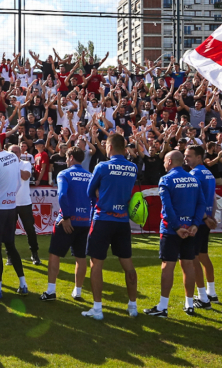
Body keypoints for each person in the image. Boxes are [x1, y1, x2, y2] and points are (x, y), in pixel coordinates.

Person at [82, 133, 139, 321]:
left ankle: (97, 309)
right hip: (122, 221)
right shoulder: (133, 167)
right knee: (127, 263)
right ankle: (133, 306)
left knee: (96, 263)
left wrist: (101, 193)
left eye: (106, 145)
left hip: (103, 219)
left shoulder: (102, 166)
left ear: (110, 147)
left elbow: (90, 190)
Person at [144, 150, 204, 318]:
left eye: (164, 160)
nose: (163, 164)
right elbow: (201, 204)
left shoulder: (166, 179)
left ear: (169, 161)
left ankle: (163, 307)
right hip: (190, 229)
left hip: (172, 230)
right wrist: (194, 225)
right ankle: (189, 304)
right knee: (188, 265)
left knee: (167, 266)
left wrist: (177, 227)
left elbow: (167, 207)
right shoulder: (194, 178)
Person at [41, 147, 92, 301]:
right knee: (80, 257)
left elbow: (62, 195)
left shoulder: (64, 173)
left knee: (54, 254)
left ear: (70, 158)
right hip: (84, 222)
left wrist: (67, 217)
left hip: (66, 222)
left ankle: (51, 291)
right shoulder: (90, 176)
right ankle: (78, 291)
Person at [0, 130, 29, 298]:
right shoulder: (12, 156)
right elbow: (18, 181)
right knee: (10, 246)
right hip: (11, 207)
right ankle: (23, 284)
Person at [185, 145, 219, 308]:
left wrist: (204, 218)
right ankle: (212, 292)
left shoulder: (195, 174)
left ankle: (202, 296)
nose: (186, 158)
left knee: (194, 259)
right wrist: (211, 216)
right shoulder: (209, 173)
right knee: (204, 256)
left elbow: (193, 199)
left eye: (189, 155)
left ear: (199, 157)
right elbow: (212, 197)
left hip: (198, 221)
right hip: (205, 219)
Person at [11, 144, 41, 265]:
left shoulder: (25, 163)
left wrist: (13, 167)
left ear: (20, 154)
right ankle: (10, 255)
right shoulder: (5, 166)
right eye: (11, 152)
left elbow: (25, 176)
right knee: (10, 231)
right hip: (10, 203)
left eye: (16, 152)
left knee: (30, 229)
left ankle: (34, 253)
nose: (13, 155)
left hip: (24, 203)